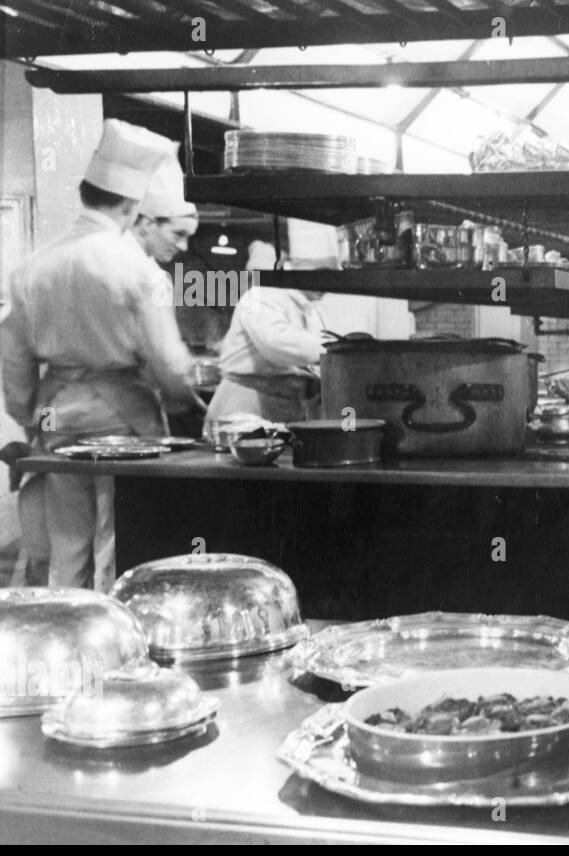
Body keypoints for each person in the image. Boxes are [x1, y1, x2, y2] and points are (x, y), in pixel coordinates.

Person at [2, 119, 195, 590]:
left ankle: (68, 646)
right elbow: (170, 367)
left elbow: (14, 362)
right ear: (132, 208)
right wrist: (186, 401)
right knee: (118, 544)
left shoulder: (32, 268)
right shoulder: (138, 271)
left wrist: (31, 416)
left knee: (67, 548)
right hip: (125, 421)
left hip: (58, 419)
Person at [204, 246, 334, 426]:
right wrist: (338, 350)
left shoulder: (308, 309)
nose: (328, 284)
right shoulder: (259, 296)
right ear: (292, 267)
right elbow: (276, 343)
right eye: (321, 274)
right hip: (245, 405)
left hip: (283, 406)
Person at [128, 153, 198, 267]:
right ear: (148, 224)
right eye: (179, 234)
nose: (183, 247)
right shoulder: (128, 269)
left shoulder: (149, 270)